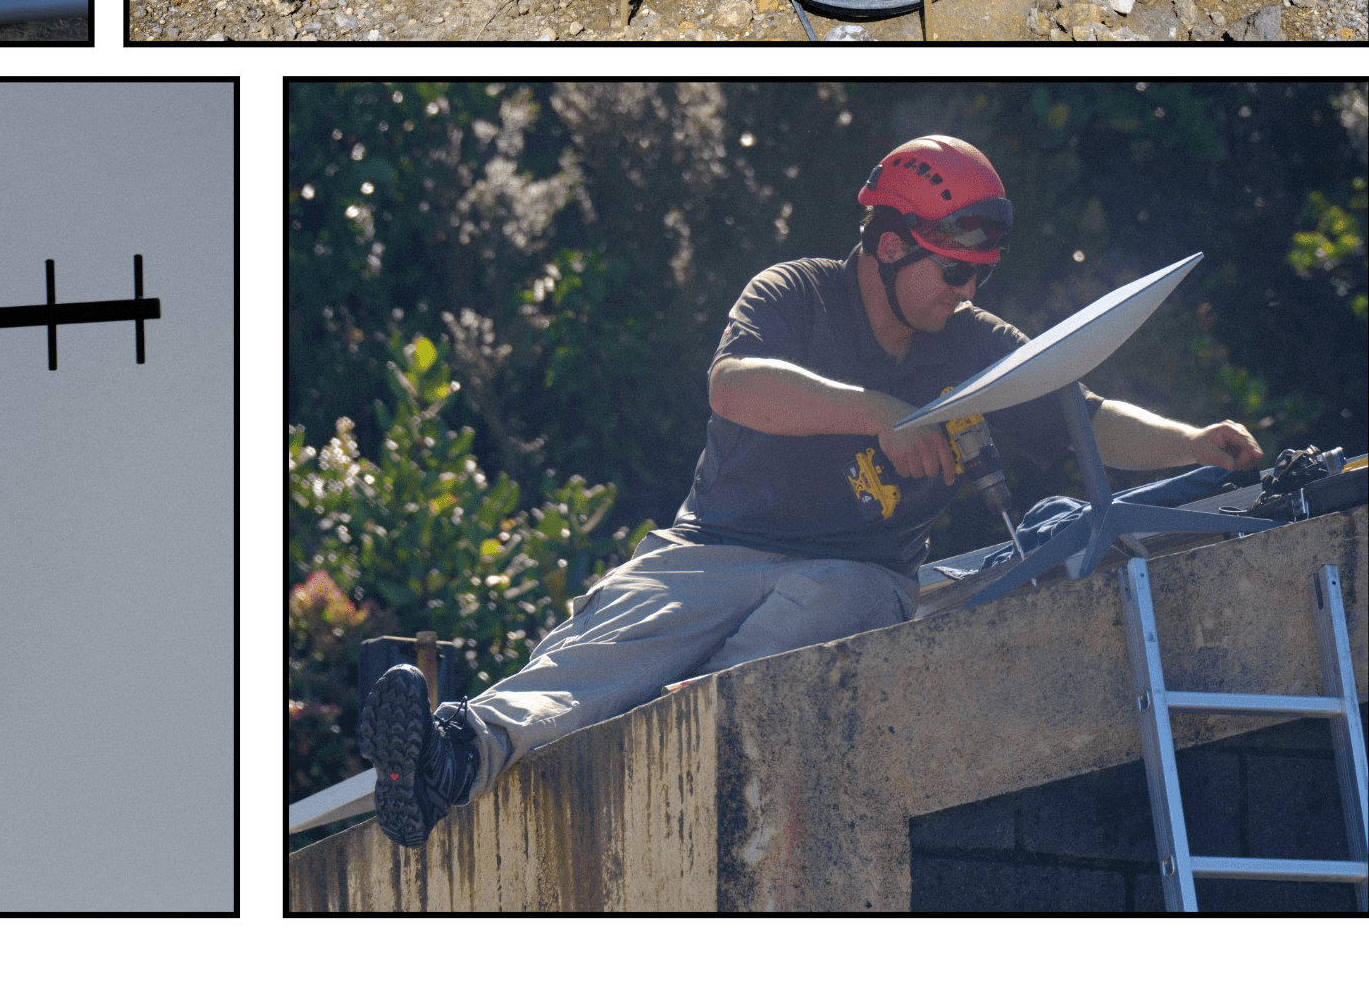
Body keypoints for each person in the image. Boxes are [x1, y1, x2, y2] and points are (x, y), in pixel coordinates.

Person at [361, 134, 1265, 850]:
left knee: (811, 608)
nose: (967, 290)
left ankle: (674, 757)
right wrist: (878, 412)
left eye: (980, 274)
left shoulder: (971, 339)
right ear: (886, 243)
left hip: (860, 571)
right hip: (712, 549)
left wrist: (1193, 441)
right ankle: (452, 753)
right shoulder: (792, 293)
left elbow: (1082, 412)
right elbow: (734, 385)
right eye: (953, 271)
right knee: (614, 637)